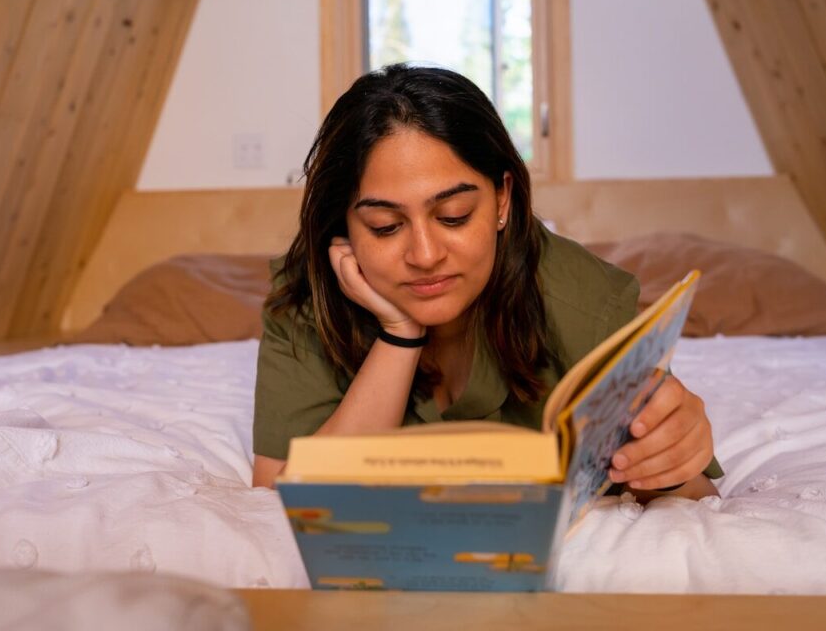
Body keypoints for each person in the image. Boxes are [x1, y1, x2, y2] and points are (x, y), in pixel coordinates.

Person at [251, 64, 720, 499]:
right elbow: (278, 495)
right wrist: (399, 336)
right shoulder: (308, 294)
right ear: (345, 228)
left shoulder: (584, 302)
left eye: (453, 216)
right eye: (385, 227)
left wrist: (675, 453)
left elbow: (692, 498)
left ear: (502, 201)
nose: (426, 255)